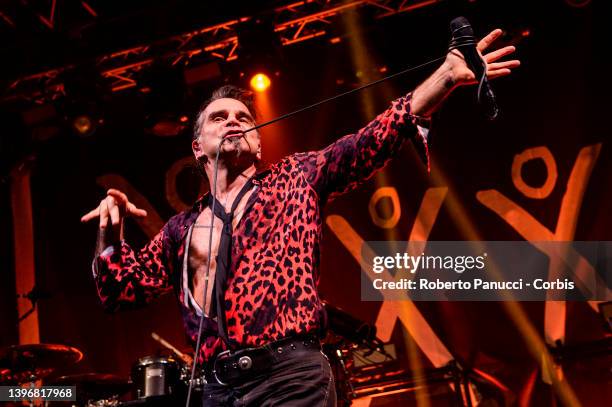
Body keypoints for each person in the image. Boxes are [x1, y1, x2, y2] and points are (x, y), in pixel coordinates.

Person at [81, 28, 519, 406]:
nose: (234, 122)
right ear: (197, 147)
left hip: (290, 374)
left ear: (257, 144)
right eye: (219, 117)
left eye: (244, 118)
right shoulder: (180, 229)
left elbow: (372, 140)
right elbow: (118, 290)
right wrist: (110, 224)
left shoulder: (296, 177)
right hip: (216, 389)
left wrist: (444, 77)